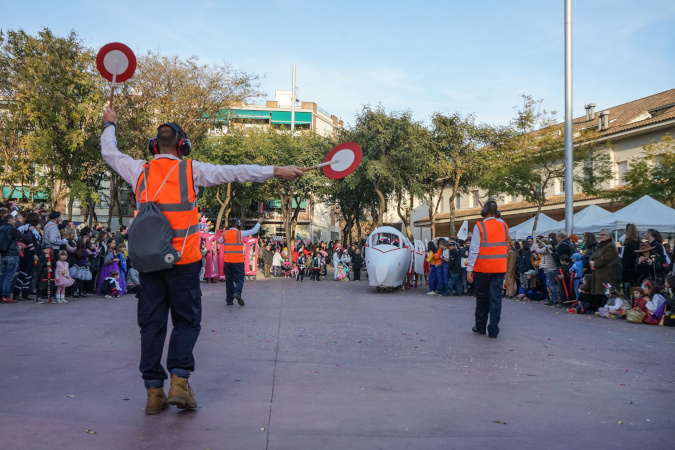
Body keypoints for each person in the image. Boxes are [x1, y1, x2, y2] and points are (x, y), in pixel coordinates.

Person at [101, 105, 302, 414]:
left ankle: (154, 393)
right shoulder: (191, 170)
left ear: (155, 146)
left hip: (149, 265)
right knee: (187, 321)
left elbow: (109, 152)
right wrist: (277, 170)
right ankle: (179, 382)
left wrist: (110, 123)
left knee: (151, 326)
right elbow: (235, 171)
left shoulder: (137, 169)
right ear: (183, 145)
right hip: (185, 263)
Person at [467, 201, 509, 338]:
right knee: (496, 299)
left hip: (482, 268)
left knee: (482, 298)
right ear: (497, 213)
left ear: (484, 211)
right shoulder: (504, 226)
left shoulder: (479, 226)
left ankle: (480, 326)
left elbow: (474, 250)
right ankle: (494, 329)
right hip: (499, 267)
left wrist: (469, 269)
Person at [222, 216, 263, 305]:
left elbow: (220, 241)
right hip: (238, 261)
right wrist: (258, 222)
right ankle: (237, 293)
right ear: (237, 225)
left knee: (229, 281)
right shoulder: (240, 233)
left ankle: (229, 300)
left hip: (227, 261)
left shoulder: (225, 234)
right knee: (239, 279)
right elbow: (253, 231)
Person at [0, 214, 34, 303]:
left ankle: (1, 295)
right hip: (12, 254)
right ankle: (6, 295)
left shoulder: (1, 228)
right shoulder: (12, 229)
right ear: (10, 220)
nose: (15, 221)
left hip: (3, 254)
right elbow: (24, 237)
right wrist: (30, 231)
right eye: (14, 219)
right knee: (9, 276)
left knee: (2, 275)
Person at [589, 229, 619, 309]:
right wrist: (591, 261)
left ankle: (604, 308)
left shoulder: (610, 246)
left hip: (607, 272)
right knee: (599, 291)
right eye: (600, 234)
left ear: (608, 236)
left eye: (603, 234)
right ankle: (598, 307)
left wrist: (595, 263)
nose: (601, 236)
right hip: (598, 271)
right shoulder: (599, 245)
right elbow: (593, 256)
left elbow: (605, 258)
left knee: (605, 291)